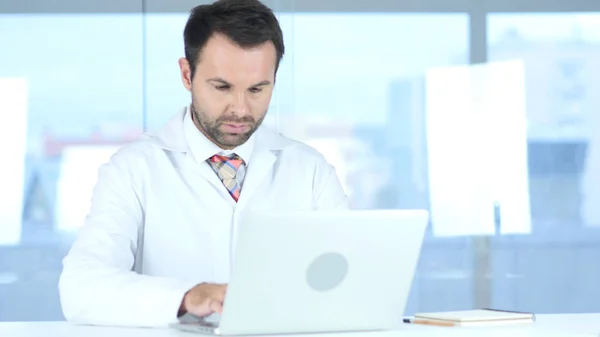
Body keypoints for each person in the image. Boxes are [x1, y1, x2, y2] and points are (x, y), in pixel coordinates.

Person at [58, 0, 348, 328]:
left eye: (257, 89)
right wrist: (190, 296)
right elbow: (81, 289)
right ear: (187, 74)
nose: (240, 108)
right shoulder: (133, 169)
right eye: (222, 87)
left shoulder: (310, 171)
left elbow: (349, 281)